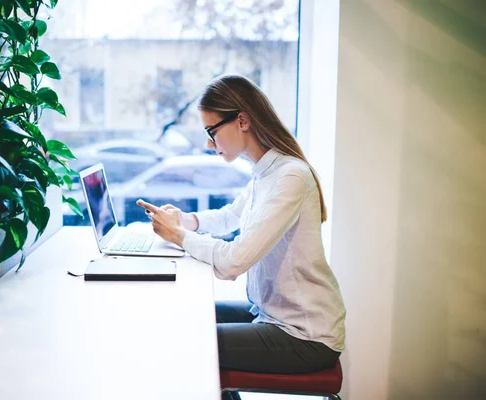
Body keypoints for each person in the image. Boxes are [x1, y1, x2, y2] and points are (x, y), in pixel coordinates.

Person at [137, 74, 345, 398]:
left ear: (242, 121)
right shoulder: (266, 172)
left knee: (188, 336)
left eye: (212, 132)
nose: (210, 143)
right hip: (269, 314)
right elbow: (231, 216)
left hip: (304, 335)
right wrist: (186, 220)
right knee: (187, 312)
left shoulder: (289, 176)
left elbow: (234, 261)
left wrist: (179, 236)